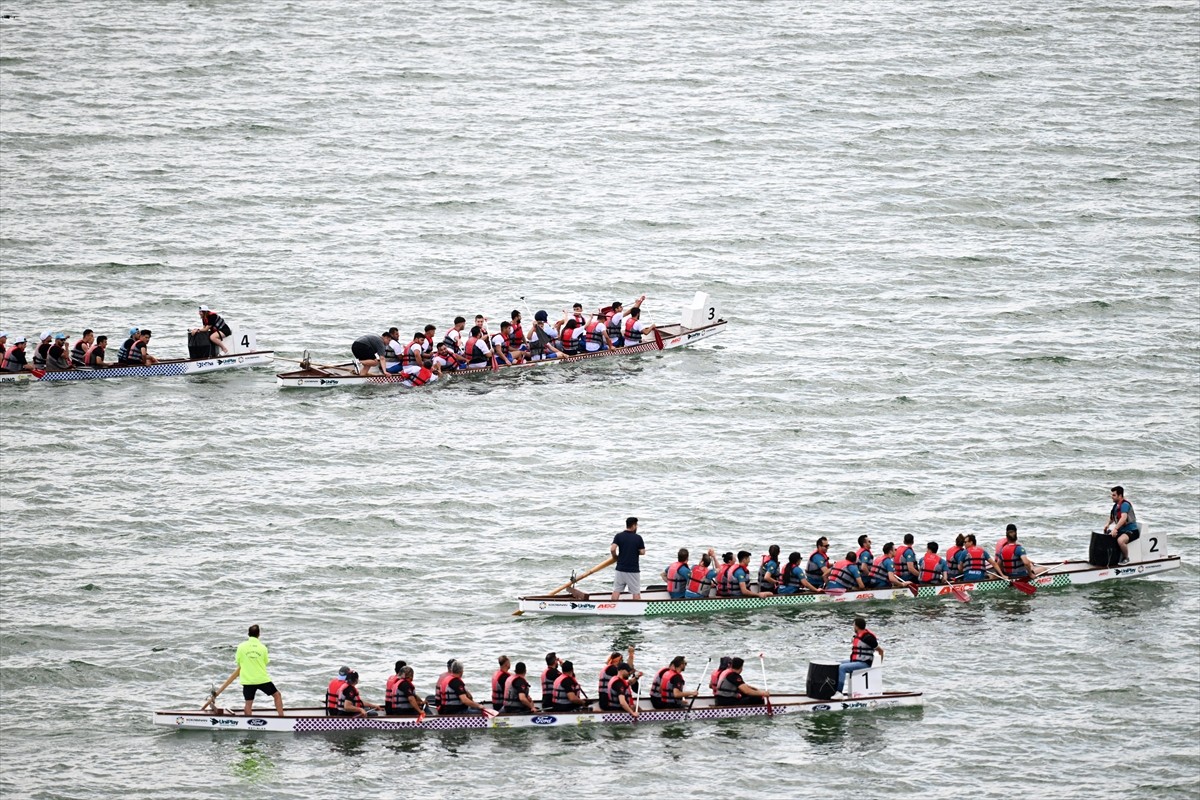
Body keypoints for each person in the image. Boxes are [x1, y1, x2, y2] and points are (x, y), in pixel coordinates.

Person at [235, 624, 284, 717]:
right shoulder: (263, 647)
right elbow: (265, 662)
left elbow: (238, 661)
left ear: (248, 634)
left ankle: (247, 721)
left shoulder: (241, 647)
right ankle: (281, 717)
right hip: (262, 679)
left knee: (248, 703)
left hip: (248, 680)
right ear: (259, 635)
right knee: (277, 695)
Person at [832, 617, 883, 699]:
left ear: (856, 626)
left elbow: (880, 651)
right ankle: (832, 690)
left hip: (865, 663)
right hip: (856, 661)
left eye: (854, 625)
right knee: (835, 664)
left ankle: (839, 692)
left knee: (842, 668)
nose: (853, 627)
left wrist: (878, 666)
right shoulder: (857, 636)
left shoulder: (868, 638)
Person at [611, 517, 646, 601]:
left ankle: (612, 606)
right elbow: (642, 552)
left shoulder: (618, 536)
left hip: (620, 568)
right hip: (633, 570)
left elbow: (612, 549)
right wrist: (634, 551)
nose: (636, 527)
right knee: (636, 592)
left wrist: (615, 557)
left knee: (616, 590)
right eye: (636, 525)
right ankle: (636, 607)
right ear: (633, 526)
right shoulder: (638, 538)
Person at [1105, 486, 1141, 563]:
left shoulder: (1125, 505)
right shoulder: (1116, 506)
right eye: (1112, 495)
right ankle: (1111, 559)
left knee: (1120, 540)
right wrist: (1107, 524)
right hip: (1122, 531)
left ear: (1120, 496)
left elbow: (1123, 518)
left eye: (1114, 495)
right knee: (1108, 536)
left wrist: (1115, 529)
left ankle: (1126, 558)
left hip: (1132, 531)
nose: (1112, 497)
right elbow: (1112, 518)